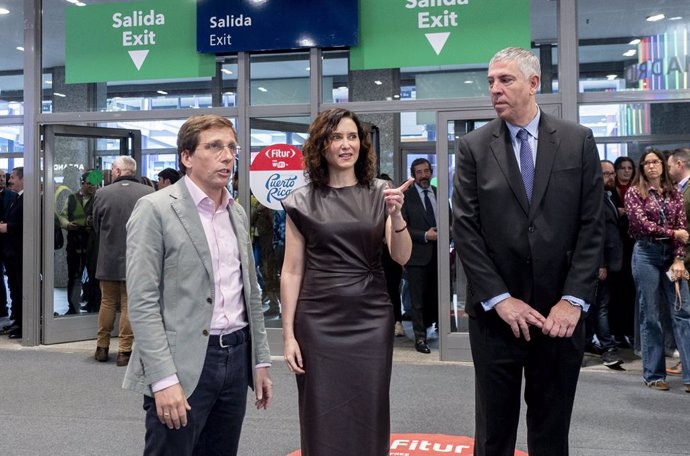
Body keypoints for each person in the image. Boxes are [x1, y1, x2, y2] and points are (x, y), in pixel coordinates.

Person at [453, 47, 603, 455]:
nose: (495, 90)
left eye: (506, 80)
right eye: (490, 82)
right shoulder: (472, 147)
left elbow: (593, 227)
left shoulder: (577, 141)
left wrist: (573, 301)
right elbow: (465, 229)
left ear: (534, 83)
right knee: (493, 433)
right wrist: (500, 300)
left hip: (559, 317)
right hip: (497, 318)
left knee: (551, 433)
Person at [123, 114, 272, 455]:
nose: (227, 156)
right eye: (214, 146)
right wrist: (162, 379)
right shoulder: (155, 209)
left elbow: (249, 290)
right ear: (187, 157)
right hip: (183, 363)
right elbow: (143, 302)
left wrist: (259, 361)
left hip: (235, 359)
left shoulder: (235, 211)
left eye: (232, 147)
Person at [281, 108, 412, 455]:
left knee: (369, 407)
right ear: (321, 146)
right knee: (320, 411)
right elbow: (292, 270)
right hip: (318, 321)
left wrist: (397, 215)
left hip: (370, 318)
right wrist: (288, 334)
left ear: (362, 144)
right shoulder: (300, 201)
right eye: (336, 137)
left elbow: (401, 256)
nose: (345, 144)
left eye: (352, 136)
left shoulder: (382, 192)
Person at [626, 148, 690, 392]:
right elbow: (641, 224)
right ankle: (654, 374)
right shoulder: (635, 192)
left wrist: (679, 259)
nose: (651, 166)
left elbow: (682, 227)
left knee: (682, 312)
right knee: (650, 314)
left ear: (663, 165)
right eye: (646, 163)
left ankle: (688, 376)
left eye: (655, 162)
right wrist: (673, 233)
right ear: (642, 168)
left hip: (671, 257)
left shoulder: (674, 193)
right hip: (646, 254)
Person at [93, 156, 154, 365]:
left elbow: (96, 224)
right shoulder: (148, 193)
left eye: (112, 170)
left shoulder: (102, 193)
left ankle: (102, 347)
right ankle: (124, 352)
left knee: (107, 301)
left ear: (118, 171)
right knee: (129, 304)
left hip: (108, 257)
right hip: (137, 258)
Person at [585, 160, 624, 368]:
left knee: (599, 305)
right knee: (600, 307)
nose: (611, 177)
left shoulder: (607, 196)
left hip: (609, 262)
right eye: (606, 174)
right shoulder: (595, 198)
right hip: (599, 263)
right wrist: (600, 263)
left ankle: (592, 342)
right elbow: (595, 233)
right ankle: (608, 348)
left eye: (611, 173)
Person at [401, 158, 439, 353]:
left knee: (438, 295)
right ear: (413, 175)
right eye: (419, 172)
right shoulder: (406, 197)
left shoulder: (438, 193)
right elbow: (403, 226)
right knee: (417, 300)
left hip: (439, 255)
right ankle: (420, 338)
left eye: (426, 171)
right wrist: (425, 235)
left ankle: (439, 329)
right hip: (417, 255)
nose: (424, 175)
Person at [665, 147, 690, 376]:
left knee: (684, 312)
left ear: (680, 165)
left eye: (670, 165)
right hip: (681, 259)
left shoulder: (687, 191)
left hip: (685, 261)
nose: (668, 169)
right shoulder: (678, 190)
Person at [61, 172, 97, 315]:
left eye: (94, 184)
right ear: (82, 183)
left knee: (94, 277)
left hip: (92, 245)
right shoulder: (71, 198)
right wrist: (68, 225)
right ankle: (73, 307)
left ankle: (93, 305)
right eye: (89, 184)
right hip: (75, 244)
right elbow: (62, 216)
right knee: (74, 276)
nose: (92, 187)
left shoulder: (99, 199)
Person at [609, 156, 636, 347]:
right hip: (616, 246)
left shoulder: (636, 189)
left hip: (633, 245)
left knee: (631, 291)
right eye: (622, 168)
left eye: (629, 168)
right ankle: (615, 332)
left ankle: (628, 330)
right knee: (615, 292)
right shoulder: (609, 191)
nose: (626, 171)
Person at [0, 167, 25, 339]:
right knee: (14, 287)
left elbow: (23, 223)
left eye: (13, 177)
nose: (9, 180)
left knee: (19, 286)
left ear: (23, 179)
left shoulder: (25, 198)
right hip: (11, 251)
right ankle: (17, 321)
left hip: (18, 250)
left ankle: (23, 324)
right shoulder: (18, 197)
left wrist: (6, 227)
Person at [380, 173, 405, 337]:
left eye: (389, 186)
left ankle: (397, 321)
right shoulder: (369, 208)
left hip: (391, 256)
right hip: (375, 255)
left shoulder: (396, 207)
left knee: (393, 289)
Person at [0, 169, 17, 319]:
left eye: (2, 176)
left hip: (9, 243)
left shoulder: (13, 196)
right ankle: (2, 308)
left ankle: (15, 311)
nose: (2, 179)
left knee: (12, 278)